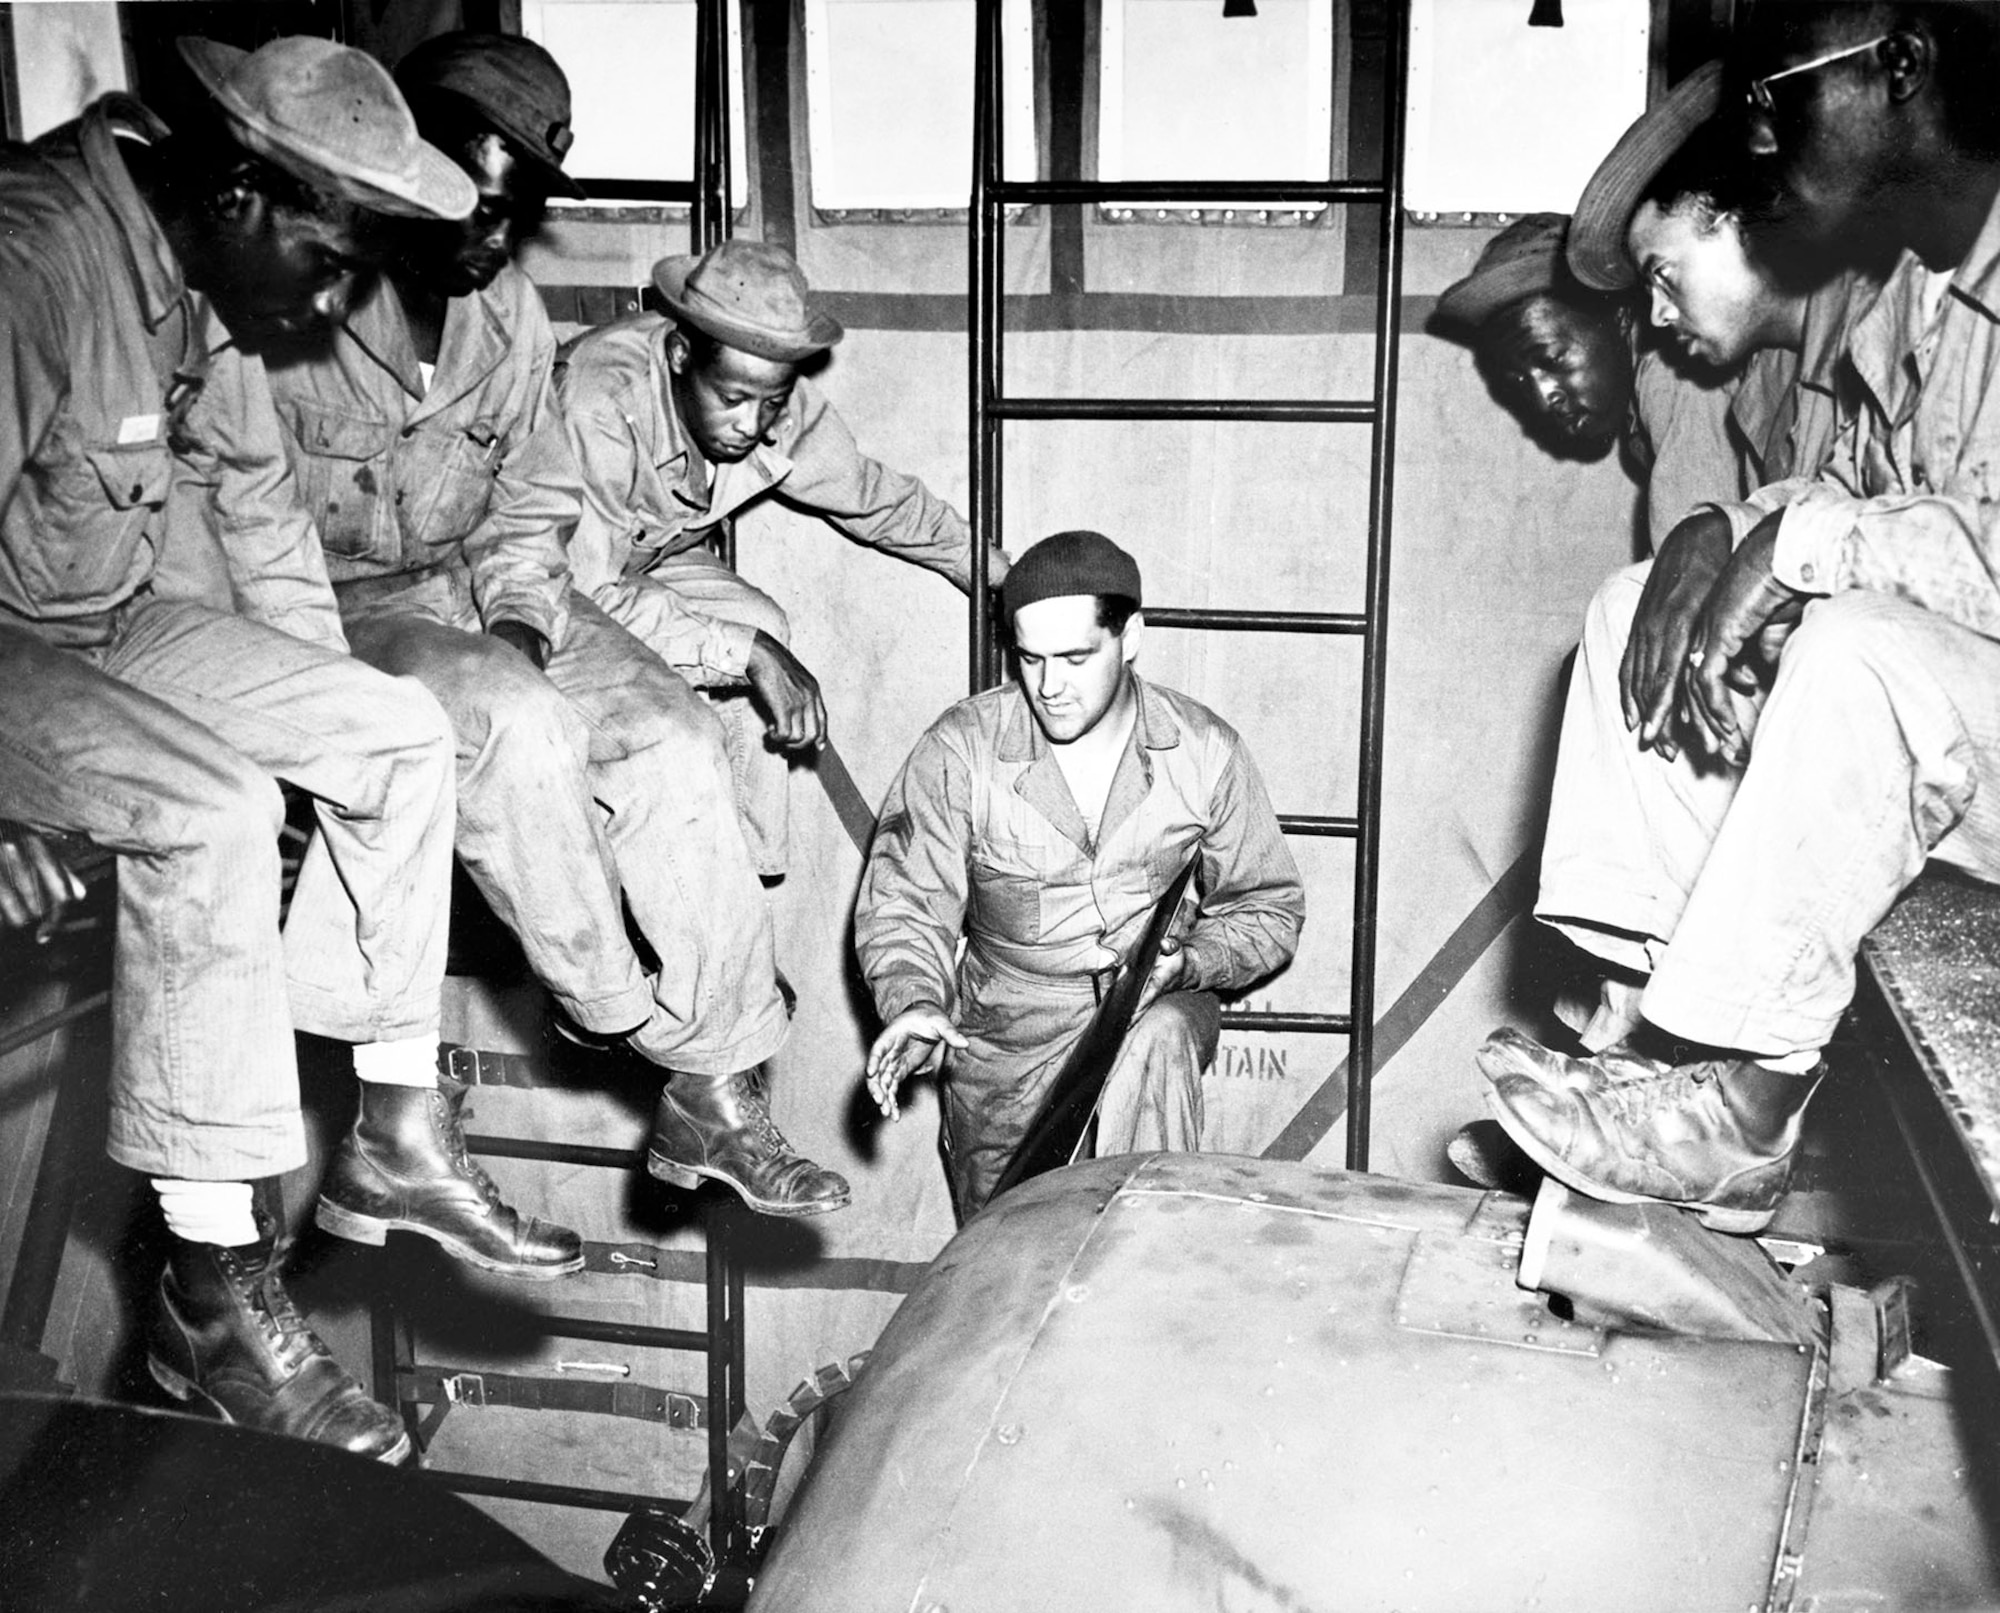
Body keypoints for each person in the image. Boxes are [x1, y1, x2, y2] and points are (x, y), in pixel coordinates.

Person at [0, 33, 578, 1464]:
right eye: (328, 259)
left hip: (111, 620)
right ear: (246, 193)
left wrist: (323, 728)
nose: (332, 302)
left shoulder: (197, 269)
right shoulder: (31, 258)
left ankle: (392, 1122)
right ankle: (213, 1289)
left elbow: (258, 512)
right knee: (207, 806)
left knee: (395, 730)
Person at [260, 34, 844, 1220]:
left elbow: (529, 505)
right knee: (522, 725)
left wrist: (524, 614)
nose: (490, 239)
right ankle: (621, 1013)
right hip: (339, 613)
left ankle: (713, 1088)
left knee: (675, 736)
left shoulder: (508, 317)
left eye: (511, 215)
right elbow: (243, 535)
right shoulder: (303, 291)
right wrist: (492, 659)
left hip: (487, 586)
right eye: (472, 207)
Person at [1479, 0, 2000, 1235]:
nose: (1756, 134)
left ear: (1899, 69)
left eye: (1778, 99)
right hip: (1967, 728)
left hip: (1945, 707)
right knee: (1632, 607)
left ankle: (1745, 1117)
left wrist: (1792, 544)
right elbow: (1867, 503)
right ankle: (1656, 1047)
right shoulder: (1914, 291)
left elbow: (1884, 558)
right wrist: (1738, 531)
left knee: (1857, 652)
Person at [854, 531, 1305, 1220]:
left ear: (1130, 638)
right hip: (1007, 1036)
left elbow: (1269, 910)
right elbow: (904, 904)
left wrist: (1190, 964)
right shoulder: (962, 751)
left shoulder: (1205, 753)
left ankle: (1142, 1288)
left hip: (1152, 1002)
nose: (1048, 685)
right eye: (1030, 658)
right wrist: (914, 1000)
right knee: (1008, 1263)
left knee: (1156, 1052)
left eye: (1074, 657)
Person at [555, 239, 1008, 877]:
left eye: (770, 401)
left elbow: (875, 498)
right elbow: (579, 592)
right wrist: (750, 653)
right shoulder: (599, 400)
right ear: (681, 354)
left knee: (759, 624)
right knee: (744, 656)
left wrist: (996, 575)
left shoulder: (765, 392)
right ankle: (679, 893)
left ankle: (740, 880)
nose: (751, 424)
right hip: (540, 578)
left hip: (636, 559)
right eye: (734, 398)